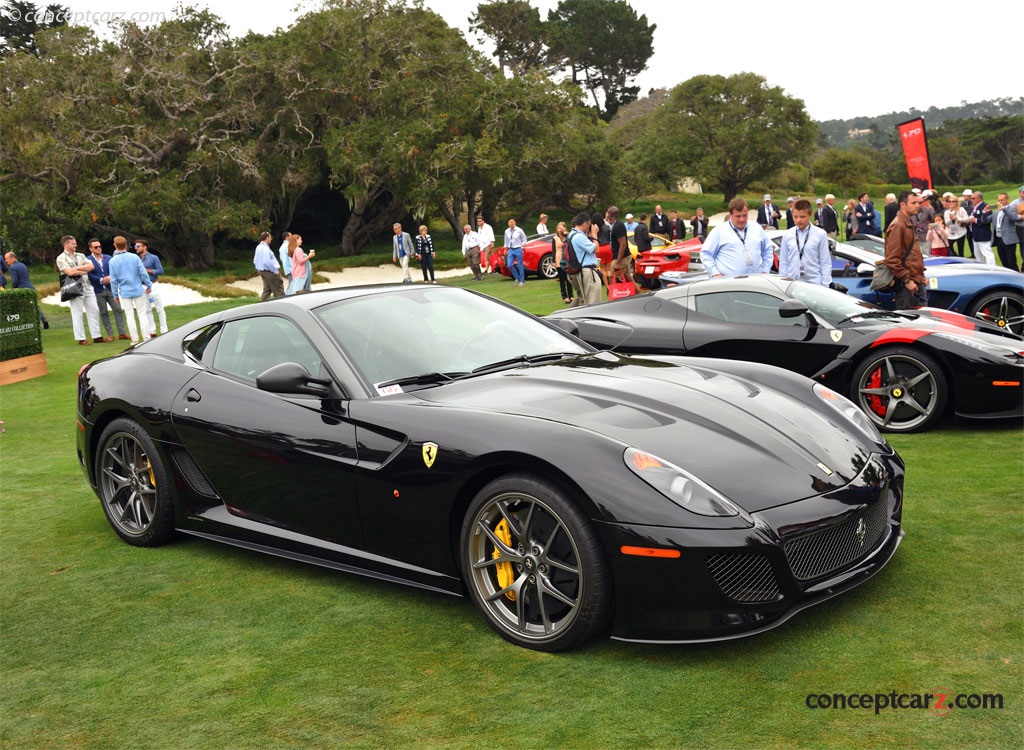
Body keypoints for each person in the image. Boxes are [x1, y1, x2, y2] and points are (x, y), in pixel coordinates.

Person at [700, 198, 774, 277]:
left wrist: (765, 271)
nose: (742, 219)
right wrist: (716, 274)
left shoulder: (757, 228)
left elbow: (767, 250)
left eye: (744, 215)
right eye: (738, 216)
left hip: (756, 283)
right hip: (731, 284)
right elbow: (706, 254)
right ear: (730, 215)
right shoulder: (719, 231)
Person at [56, 235, 102, 345]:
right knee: (77, 313)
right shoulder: (61, 258)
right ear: (66, 244)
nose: (75, 245)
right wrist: (82, 270)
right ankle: (81, 338)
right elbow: (69, 272)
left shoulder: (81, 255)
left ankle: (97, 336)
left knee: (94, 310)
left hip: (87, 286)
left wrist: (77, 268)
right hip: (74, 288)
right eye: (73, 243)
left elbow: (91, 266)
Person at [885, 191, 926, 308]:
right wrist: (907, 281)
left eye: (919, 203)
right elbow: (892, 259)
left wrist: (920, 275)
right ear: (903, 205)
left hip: (915, 281)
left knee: (923, 322)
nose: (918, 205)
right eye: (913, 203)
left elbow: (913, 254)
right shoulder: (898, 225)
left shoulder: (908, 222)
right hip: (907, 285)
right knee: (910, 322)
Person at [108, 235, 152, 345]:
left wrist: (115, 294)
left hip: (125, 291)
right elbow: (143, 272)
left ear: (115, 245)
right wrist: (148, 284)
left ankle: (135, 339)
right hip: (137, 289)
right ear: (126, 245)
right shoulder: (134, 257)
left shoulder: (113, 261)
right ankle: (146, 338)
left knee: (129, 315)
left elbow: (113, 280)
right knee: (142, 314)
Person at [778, 199, 831, 286]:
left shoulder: (820, 234)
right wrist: (782, 283)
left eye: (802, 217)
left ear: (810, 215)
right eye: (795, 217)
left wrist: (826, 284)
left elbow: (825, 261)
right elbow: (784, 262)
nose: (799, 220)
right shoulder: (787, 235)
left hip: (814, 283)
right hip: (792, 283)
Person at [86, 239, 128, 341]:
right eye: (96, 247)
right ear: (90, 248)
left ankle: (122, 333)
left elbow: (114, 269)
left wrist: (110, 277)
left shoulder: (108, 257)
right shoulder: (87, 260)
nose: (99, 248)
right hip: (98, 289)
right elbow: (89, 275)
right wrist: (101, 280)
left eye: (100, 246)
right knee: (103, 312)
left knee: (118, 309)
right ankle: (110, 334)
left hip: (110, 288)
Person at [3, 250, 48, 328]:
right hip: (30, 288)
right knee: (35, 306)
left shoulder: (13, 268)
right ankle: (45, 322)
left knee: (22, 308)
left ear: (13, 258)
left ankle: (26, 324)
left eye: (7, 258)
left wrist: (14, 290)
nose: (6, 261)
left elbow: (15, 281)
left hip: (22, 290)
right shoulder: (23, 265)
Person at [135, 240, 168, 337]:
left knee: (159, 308)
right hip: (142, 286)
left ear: (145, 247)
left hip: (153, 285)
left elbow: (160, 271)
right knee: (147, 309)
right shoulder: (137, 259)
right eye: (135, 246)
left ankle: (164, 330)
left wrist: (147, 271)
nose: (136, 248)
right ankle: (152, 330)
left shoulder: (153, 258)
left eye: (138, 246)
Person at [569, 212, 602, 305]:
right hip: (587, 271)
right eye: (588, 225)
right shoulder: (579, 237)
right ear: (585, 223)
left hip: (579, 271)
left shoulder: (572, 235)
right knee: (593, 300)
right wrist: (594, 234)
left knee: (582, 300)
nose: (589, 227)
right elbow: (596, 249)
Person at [253, 231, 284, 300]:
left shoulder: (258, 247)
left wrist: (259, 269)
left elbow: (255, 261)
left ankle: (263, 305)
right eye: (270, 237)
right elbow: (267, 262)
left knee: (267, 289)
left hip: (262, 271)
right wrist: (275, 271)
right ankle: (282, 304)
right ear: (267, 237)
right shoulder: (265, 248)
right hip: (269, 271)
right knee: (278, 289)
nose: (271, 239)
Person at [993, 193, 1019, 272]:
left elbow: (1013, 218)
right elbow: (986, 220)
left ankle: (1017, 277)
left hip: (1009, 239)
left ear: (1007, 200)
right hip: (999, 238)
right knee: (1003, 260)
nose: (1000, 202)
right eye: (999, 200)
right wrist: (985, 212)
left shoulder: (1012, 209)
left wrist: (1004, 209)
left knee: (1011, 261)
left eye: (1002, 200)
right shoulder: (997, 211)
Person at [966, 191, 995, 265]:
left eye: (973, 198)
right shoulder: (974, 207)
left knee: (987, 252)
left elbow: (987, 220)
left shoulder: (985, 206)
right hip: (975, 233)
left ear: (979, 198)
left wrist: (975, 220)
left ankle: (992, 269)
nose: (971, 200)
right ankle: (981, 268)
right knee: (977, 254)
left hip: (983, 233)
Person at [552, 222, 574, 304]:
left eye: (561, 228)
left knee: (569, 278)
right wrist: (553, 261)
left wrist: (566, 234)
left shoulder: (568, 237)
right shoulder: (555, 238)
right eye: (558, 228)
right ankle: (564, 296)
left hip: (567, 258)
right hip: (559, 259)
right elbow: (553, 250)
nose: (559, 229)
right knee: (562, 279)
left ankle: (571, 295)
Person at [943, 193, 969, 257]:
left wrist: (957, 218)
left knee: (961, 249)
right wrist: (951, 219)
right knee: (949, 247)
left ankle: (961, 260)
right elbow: (946, 223)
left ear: (956, 202)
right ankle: (956, 257)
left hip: (961, 231)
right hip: (951, 232)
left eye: (953, 201)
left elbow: (967, 219)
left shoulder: (961, 209)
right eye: (949, 201)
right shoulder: (946, 212)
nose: (951, 203)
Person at [504, 218, 527, 286]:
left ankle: (522, 281)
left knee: (520, 265)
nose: (511, 223)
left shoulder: (519, 230)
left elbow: (524, 238)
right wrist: (505, 248)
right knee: (510, 265)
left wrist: (522, 245)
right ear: (508, 223)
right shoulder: (507, 231)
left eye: (512, 222)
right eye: (510, 222)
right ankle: (517, 277)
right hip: (511, 249)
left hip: (518, 248)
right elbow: (506, 241)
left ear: (515, 223)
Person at [592, 211, 611, 286]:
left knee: (602, 269)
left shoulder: (593, 229)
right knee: (608, 268)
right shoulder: (606, 227)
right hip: (608, 247)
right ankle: (612, 284)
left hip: (599, 248)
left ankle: (607, 286)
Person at [961, 188, 976, 258]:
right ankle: (973, 253)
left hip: (971, 223)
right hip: (965, 224)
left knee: (973, 239)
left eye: (965, 195)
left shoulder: (972, 203)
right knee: (969, 239)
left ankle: (975, 252)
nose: (964, 197)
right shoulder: (963, 204)